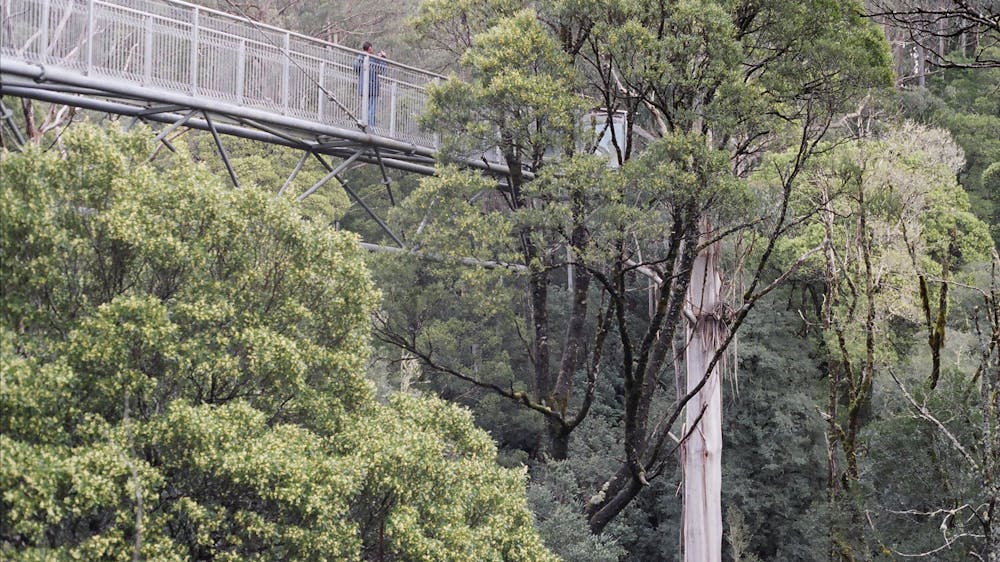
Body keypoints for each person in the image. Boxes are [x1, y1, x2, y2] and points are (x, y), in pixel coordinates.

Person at [353, 41, 387, 128]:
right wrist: (382, 58)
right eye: (371, 48)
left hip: (364, 88)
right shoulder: (372, 58)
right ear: (370, 48)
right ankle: (370, 127)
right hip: (373, 88)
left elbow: (355, 68)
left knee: (366, 108)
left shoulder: (359, 58)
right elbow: (382, 70)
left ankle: (365, 125)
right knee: (371, 109)